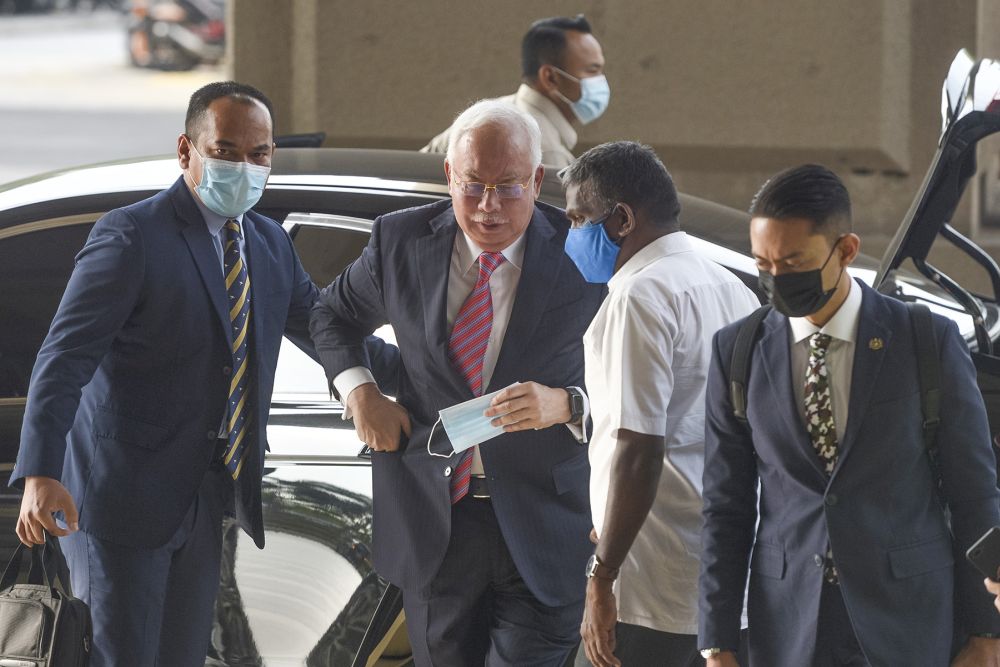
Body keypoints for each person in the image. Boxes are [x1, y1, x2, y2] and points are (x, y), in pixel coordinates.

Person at [12, 81, 346, 666]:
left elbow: (326, 329)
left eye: (259, 154)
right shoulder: (132, 235)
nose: (244, 167)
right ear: (187, 150)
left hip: (206, 492)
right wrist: (40, 471)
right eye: (225, 151)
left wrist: (411, 375)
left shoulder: (267, 244)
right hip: (122, 497)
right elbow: (64, 358)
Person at [310, 99, 605, 666]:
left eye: (509, 187)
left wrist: (569, 403)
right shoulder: (400, 242)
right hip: (436, 519)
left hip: (545, 523)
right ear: (449, 175)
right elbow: (331, 317)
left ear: (538, 180)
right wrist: (361, 392)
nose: (489, 207)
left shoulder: (580, 254)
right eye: (473, 185)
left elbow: (632, 371)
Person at [697, 164, 1000, 666]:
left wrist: (987, 633)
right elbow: (725, 510)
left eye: (793, 261)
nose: (776, 279)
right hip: (791, 622)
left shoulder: (924, 340)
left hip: (907, 618)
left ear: (846, 250)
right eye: (763, 264)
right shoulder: (739, 350)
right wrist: (717, 640)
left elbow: (975, 494)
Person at [559, 142, 758, 667]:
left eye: (579, 219)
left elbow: (639, 448)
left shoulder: (638, 297)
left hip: (647, 578)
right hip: (720, 577)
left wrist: (601, 578)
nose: (571, 236)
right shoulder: (732, 288)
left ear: (621, 219)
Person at [421, 14, 608, 169]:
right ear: (550, 77)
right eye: (592, 70)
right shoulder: (546, 152)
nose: (601, 80)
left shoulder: (489, 110)